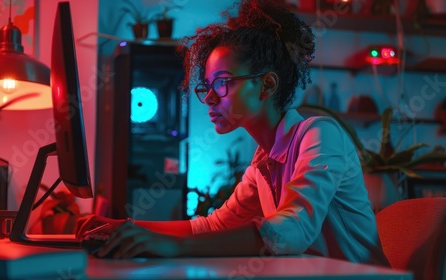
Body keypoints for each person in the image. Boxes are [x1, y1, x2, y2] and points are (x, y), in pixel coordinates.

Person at [76, 0, 389, 266]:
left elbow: (291, 231)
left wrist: (172, 248)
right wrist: (119, 226)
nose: (210, 98)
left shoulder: (319, 135)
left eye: (223, 82)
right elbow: (212, 227)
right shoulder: (262, 165)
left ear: (267, 85)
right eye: (207, 86)